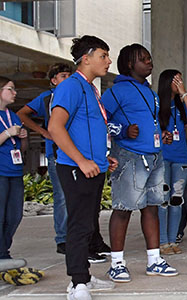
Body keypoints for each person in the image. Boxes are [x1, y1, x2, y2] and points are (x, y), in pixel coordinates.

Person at [19, 63, 114, 257]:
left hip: (84, 157)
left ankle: (91, 240)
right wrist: (43, 131)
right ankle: (65, 240)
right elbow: (23, 114)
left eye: (68, 75)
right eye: (62, 75)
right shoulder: (47, 98)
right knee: (65, 199)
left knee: (90, 203)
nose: (66, 78)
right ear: (53, 80)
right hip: (60, 155)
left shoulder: (82, 90)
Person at [101, 44, 178, 282]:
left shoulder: (150, 92)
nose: (149, 62)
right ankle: (116, 264)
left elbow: (151, 122)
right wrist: (122, 130)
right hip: (129, 156)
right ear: (128, 64)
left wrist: (162, 135)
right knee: (123, 209)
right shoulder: (115, 91)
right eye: (143, 59)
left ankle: (154, 260)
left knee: (152, 207)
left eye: (149, 58)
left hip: (155, 156)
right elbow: (100, 120)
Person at [50, 35, 117, 300]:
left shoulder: (90, 88)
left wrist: (102, 158)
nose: (108, 61)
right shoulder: (71, 86)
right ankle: (77, 284)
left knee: (89, 224)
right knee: (79, 225)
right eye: (103, 55)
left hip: (93, 168)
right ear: (85, 58)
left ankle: (85, 278)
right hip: (77, 168)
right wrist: (81, 160)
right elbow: (56, 128)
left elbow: (88, 129)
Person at [156, 69, 187, 255]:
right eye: (176, 80)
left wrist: (183, 93)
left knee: (176, 199)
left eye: (181, 79)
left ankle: (173, 240)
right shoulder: (156, 103)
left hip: (182, 158)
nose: (180, 82)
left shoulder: (181, 104)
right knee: (163, 200)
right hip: (163, 158)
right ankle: (162, 241)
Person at [0, 76, 27, 260]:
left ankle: (3, 250)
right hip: (0, 172)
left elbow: (22, 148)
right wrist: (7, 133)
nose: (14, 93)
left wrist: (23, 137)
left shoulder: (14, 115)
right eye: (10, 89)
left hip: (15, 171)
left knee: (15, 214)